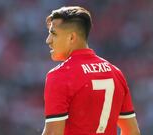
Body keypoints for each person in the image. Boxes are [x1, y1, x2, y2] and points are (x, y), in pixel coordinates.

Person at [42, 6, 141, 135]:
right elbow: (132, 131)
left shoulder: (60, 76)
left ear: (72, 38)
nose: (48, 40)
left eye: (53, 33)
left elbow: (53, 133)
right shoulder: (115, 73)